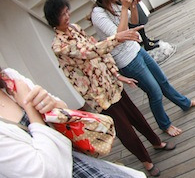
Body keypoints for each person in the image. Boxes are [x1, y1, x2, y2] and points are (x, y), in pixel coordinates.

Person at [44, 0, 176, 177]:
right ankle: (146, 161)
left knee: (136, 115)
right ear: (54, 19)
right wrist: (118, 38)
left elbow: (100, 51)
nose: (67, 16)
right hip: (98, 94)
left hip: (111, 82)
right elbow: (91, 51)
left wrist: (116, 75)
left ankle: (156, 143)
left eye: (67, 11)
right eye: (63, 14)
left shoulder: (75, 28)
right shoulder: (59, 46)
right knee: (124, 129)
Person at [91, 0, 195, 137]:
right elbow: (120, 36)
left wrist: (132, 7)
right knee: (155, 92)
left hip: (137, 50)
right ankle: (165, 125)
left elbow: (135, 22)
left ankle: (185, 104)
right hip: (127, 61)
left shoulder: (115, 5)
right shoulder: (98, 14)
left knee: (163, 81)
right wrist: (124, 8)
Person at [0, 67, 146, 178]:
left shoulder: (10, 78)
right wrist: (30, 108)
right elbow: (45, 171)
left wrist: (51, 104)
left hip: (84, 163)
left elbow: (63, 109)